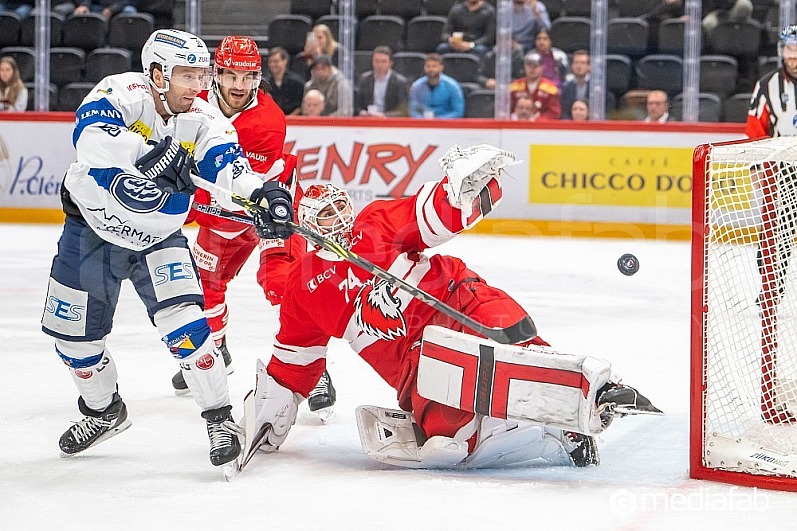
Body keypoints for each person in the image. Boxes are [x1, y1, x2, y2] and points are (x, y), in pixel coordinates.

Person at [242, 144, 660, 469]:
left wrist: (461, 189)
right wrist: (270, 413)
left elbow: (431, 215)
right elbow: (294, 359)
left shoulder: (376, 221)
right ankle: (545, 434)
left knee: (506, 334)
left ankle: (580, 395)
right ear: (308, 227)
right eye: (324, 215)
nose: (336, 220)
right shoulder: (304, 288)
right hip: (412, 359)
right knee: (448, 438)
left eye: (339, 208)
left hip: (454, 300)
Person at [40, 29, 294, 468]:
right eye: (188, 76)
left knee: (189, 329)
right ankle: (104, 412)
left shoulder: (207, 119)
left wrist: (262, 193)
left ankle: (220, 417)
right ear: (157, 73)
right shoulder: (120, 91)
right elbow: (91, 140)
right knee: (74, 342)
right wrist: (158, 154)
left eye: (202, 75)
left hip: (157, 237)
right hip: (91, 230)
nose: (199, 87)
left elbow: (228, 168)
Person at [177, 35, 336, 414]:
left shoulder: (267, 122)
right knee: (203, 287)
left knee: (283, 286)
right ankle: (215, 351)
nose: (237, 85)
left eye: (246, 77)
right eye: (230, 75)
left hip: (268, 211)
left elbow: (238, 189)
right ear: (215, 74)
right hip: (220, 215)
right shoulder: (191, 106)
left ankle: (310, 367)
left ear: (257, 77)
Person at [745, 26, 797, 304]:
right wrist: (758, 168)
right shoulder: (767, 85)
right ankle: (770, 287)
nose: (795, 57)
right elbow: (756, 130)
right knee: (776, 231)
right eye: (790, 50)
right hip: (784, 168)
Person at [355, 46, 409, 117]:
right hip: (368, 119)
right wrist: (362, 112)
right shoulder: (364, 79)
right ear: (372, 62)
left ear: (390, 63)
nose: (379, 65)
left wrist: (384, 115)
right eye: (376, 61)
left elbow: (403, 110)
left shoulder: (400, 82)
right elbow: (358, 105)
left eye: (384, 61)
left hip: (390, 122)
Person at [560, 50, 615, 120]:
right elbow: (564, 111)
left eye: (582, 63)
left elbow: (608, 107)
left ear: (589, 66)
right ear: (572, 66)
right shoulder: (566, 87)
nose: (579, 66)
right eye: (576, 63)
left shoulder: (599, 86)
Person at [408, 53, 465, 119]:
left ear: (441, 67)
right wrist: (422, 121)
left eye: (434, 66)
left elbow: (458, 112)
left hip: (446, 125)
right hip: (422, 124)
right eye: (428, 66)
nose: (431, 69)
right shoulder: (416, 86)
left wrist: (438, 121)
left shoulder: (453, 86)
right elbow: (412, 110)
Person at [509, 51, 560, 119]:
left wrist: (536, 121)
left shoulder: (550, 89)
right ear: (524, 67)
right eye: (529, 66)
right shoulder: (514, 86)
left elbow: (554, 113)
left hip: (540, 127)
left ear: (542, 67)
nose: (532, 69)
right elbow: (507, 109)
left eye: (535, 66)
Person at [265, 47, 305, 116]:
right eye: (270, 62)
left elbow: (300, 106)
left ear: (285, 61)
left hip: (294, 122)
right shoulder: (265, 84)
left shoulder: (297, 82)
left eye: (276, 61)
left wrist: (288, 119)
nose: (272, 65)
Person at [53, 0, 138, 18]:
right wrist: (84, 5)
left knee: (129, 11)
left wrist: (112, 9)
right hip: (98, 7)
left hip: (120, 8)